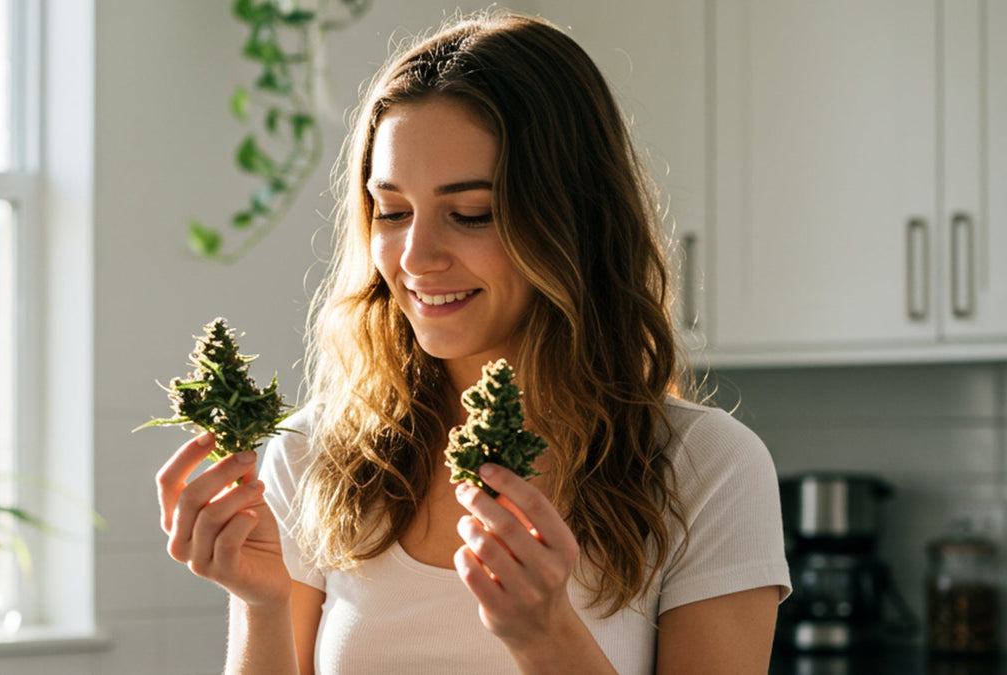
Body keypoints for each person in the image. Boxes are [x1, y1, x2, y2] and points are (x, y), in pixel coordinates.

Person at [156, 9, 790, 674]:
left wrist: (547, 635)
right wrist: (260, 602)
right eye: (393, 212)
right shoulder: (315, 455)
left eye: (470, 214)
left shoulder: (705, 468)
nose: (415, 257)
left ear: (572, 220)